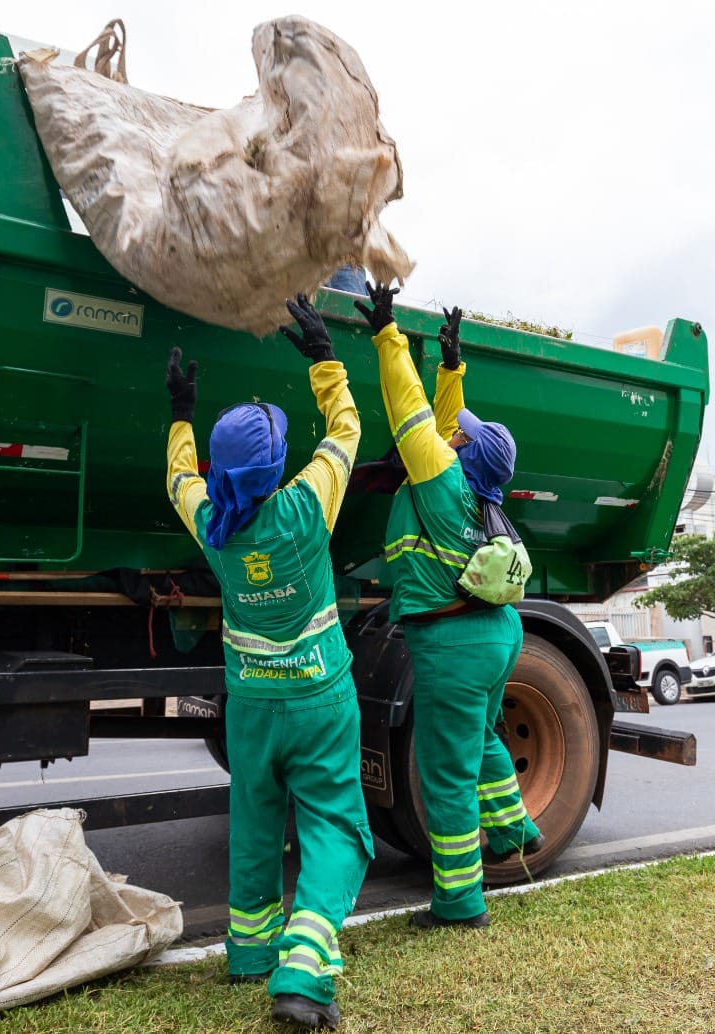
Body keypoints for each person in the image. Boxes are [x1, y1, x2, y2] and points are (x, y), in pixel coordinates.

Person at [163, 293, 369, 1031]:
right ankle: (304, 971)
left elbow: (177, 479)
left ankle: (248, 951)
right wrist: (323, 358)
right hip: (320, 699)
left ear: (222, 469)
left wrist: (181, 413)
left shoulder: (213, 528)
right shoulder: (308, 505)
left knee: (255, 822)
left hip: (250, 706)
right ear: (279, 465)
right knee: (336, 829)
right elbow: (346, 432)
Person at [359, 283, 542, 930]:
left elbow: (408, 414)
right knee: (484, 739)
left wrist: (387, 332)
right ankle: (517, 826)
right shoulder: (478, 492)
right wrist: (451, 363)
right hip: (500, 635)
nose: (454, 436)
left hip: (454, 648)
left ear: (465, 454)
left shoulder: (437, 479)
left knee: (444, 776)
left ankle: (461, 904)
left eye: (463, 436)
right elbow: (439, 424)